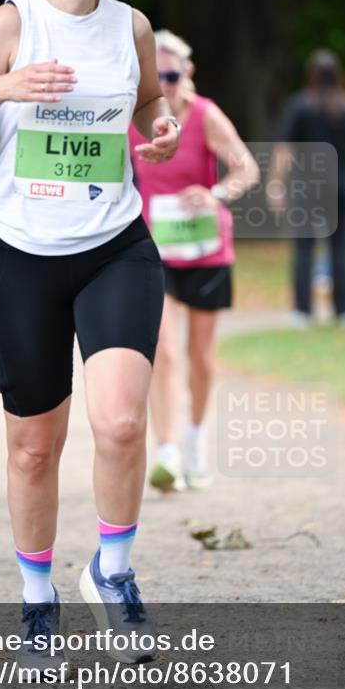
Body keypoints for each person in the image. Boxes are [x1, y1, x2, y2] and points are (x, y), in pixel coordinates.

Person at [0, 0, 180, 666]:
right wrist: (5, 85)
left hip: (114, 247)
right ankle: (37, 597)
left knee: (122, 423)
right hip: (23, 257)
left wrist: (159, 127)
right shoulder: (12, 22)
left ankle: (113, 571)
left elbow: (142, 105)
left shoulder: (130, 25)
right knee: (34, 448)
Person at [130, 30, 259, 491]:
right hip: (154, 249)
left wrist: (216, 194)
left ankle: (196, 440)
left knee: (199, 357)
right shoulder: (135, 116)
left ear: (188, 72)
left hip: (206, 248)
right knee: (161, 353)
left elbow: (246, 166)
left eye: (171, 73)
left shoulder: (204, 115)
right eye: (156, 75)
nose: (163, 83)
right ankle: (166, 452)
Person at [271, 50, 345, 327]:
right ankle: (344, 311)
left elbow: (285, 150)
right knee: (340, 248)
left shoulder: (300, 105)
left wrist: (277, 184)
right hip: (338, 187)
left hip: (306, 187)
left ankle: (302, 312)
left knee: (304, 249)